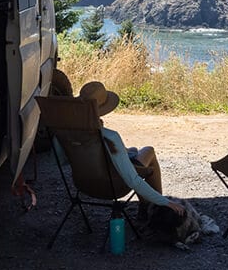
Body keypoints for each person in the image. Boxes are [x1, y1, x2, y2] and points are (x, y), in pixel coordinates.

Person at [77, 81, 185, 219]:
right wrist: (167, 202)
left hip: (83, 182)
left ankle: (147, 206)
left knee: (133, 151)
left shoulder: (67, 133)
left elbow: (63, 160)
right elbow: (132, 180)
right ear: (103, 109)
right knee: (149, 151)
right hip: (113, 185)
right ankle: (153, 208)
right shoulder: (110, 137)